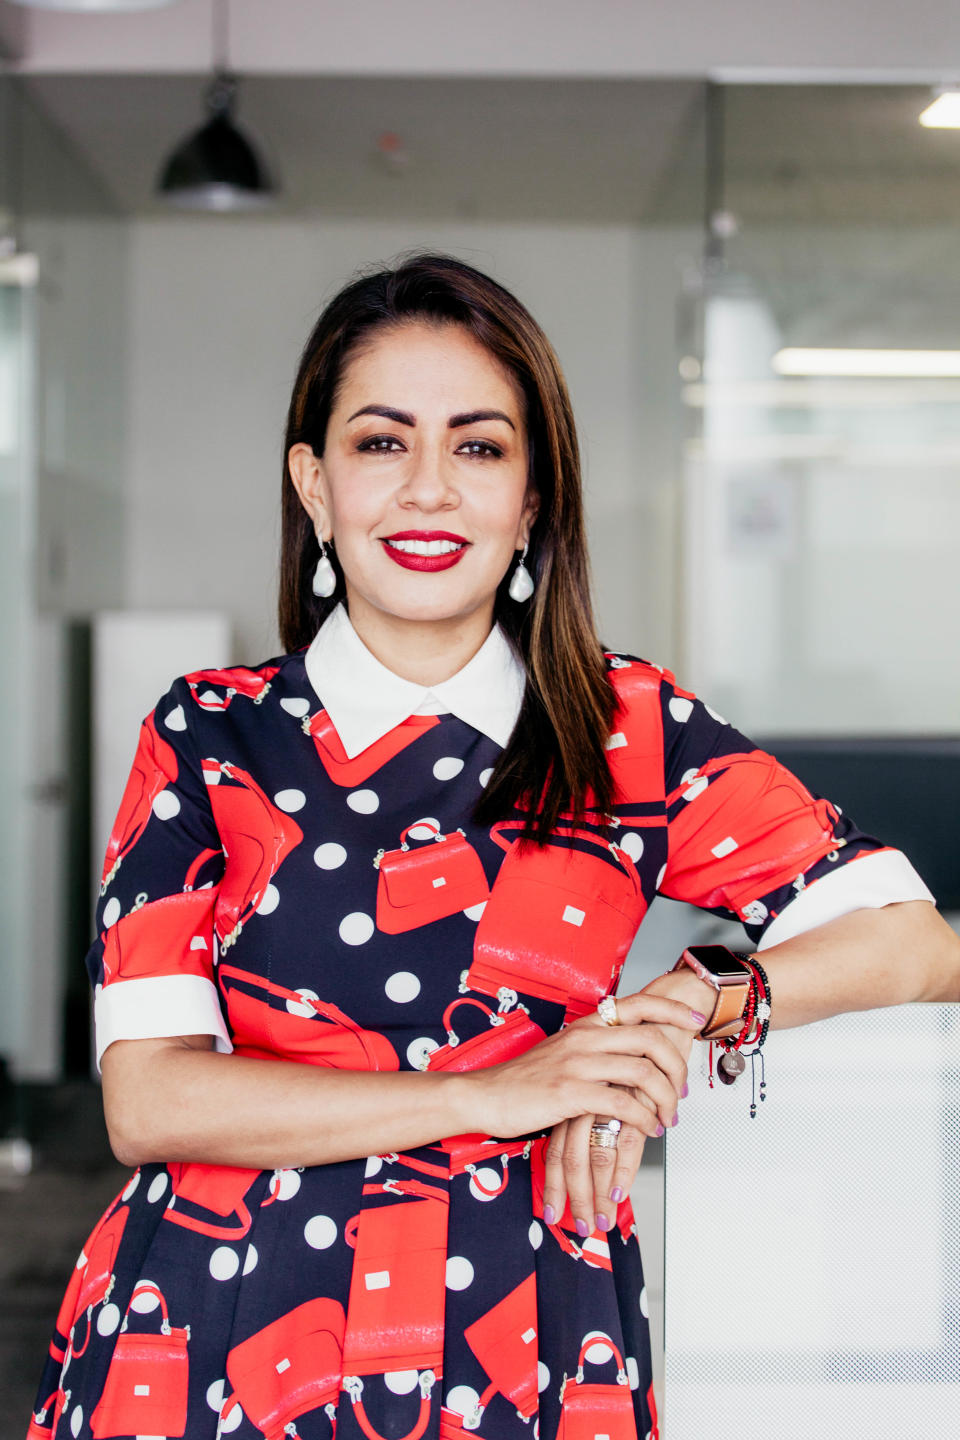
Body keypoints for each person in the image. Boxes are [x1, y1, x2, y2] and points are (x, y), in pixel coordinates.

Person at [28, 252, 959, 1440]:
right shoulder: (212, 732)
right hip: (224, 1322)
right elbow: (150, 1102)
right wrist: (497, 1091)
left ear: (532, 498)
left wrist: (681, 1006)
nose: (428, 489)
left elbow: (915, 941)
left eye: (477, 447)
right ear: (314, 487)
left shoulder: (621, 727)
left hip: (522, 1326)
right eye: (380, 443)